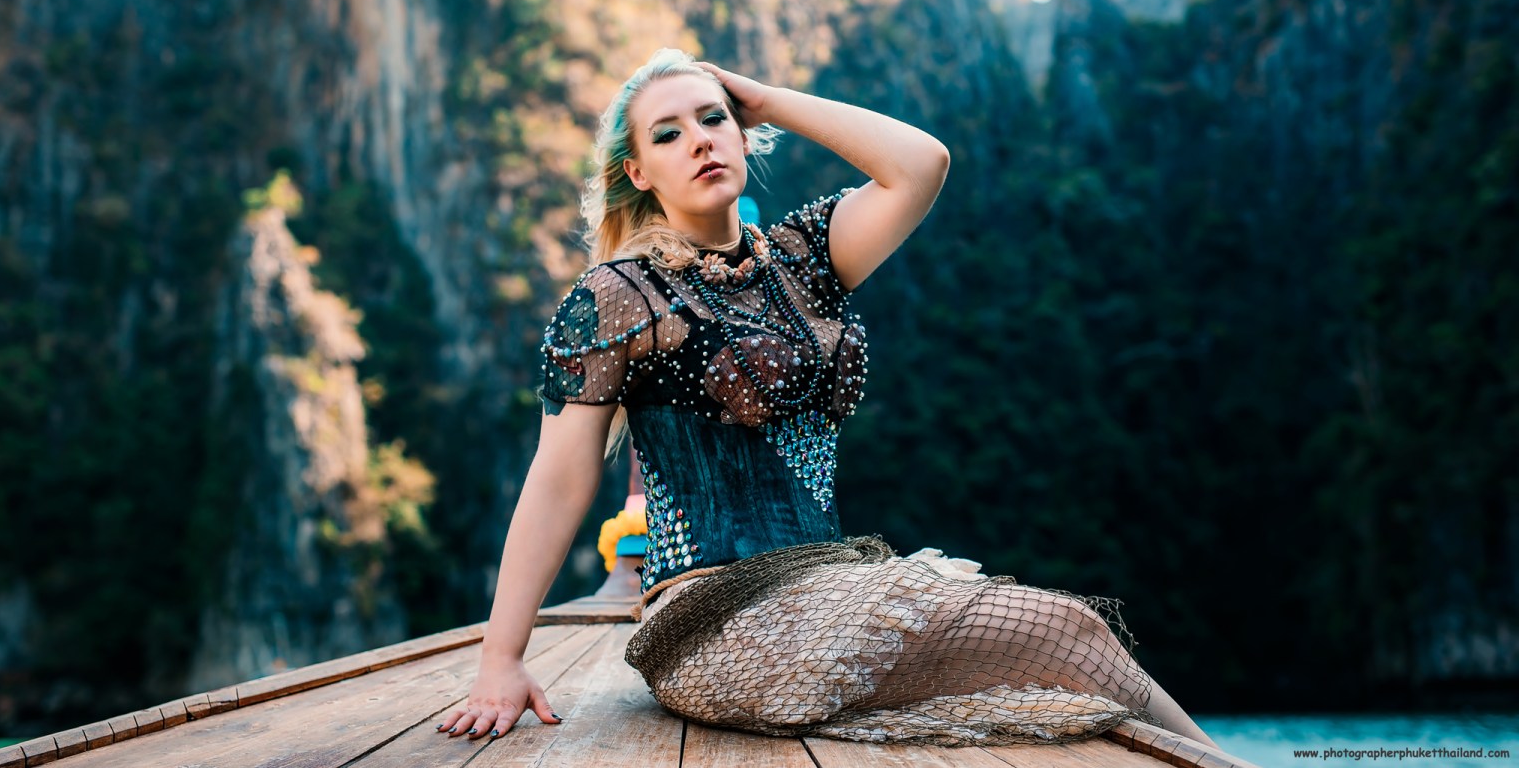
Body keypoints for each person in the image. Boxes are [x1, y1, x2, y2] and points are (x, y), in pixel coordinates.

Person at [436, 48, 1220, 749]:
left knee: (1067, 648)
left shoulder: (804, 261)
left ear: (742, 134)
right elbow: (559, 478)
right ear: (637, 173)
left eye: (714, 118)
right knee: (1067, 633)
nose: (702, 139)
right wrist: (502, 659)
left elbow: (922, 163)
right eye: (668, 133)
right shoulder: (621, 294)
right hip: (713, 622)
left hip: (830, 586)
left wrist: (767, 98)